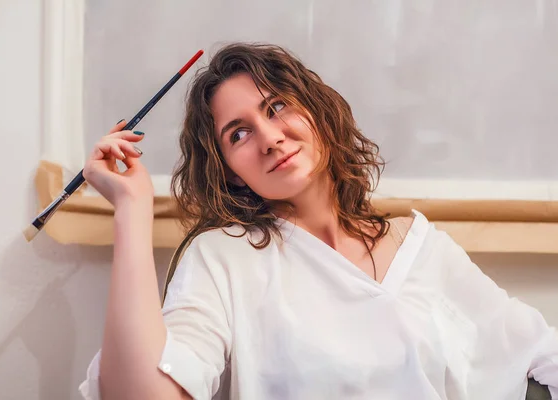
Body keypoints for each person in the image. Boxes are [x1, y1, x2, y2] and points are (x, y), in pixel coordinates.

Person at [78, 43, 557, 400]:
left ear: (319, 112)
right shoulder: (224, 256)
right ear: (229, 169)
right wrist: (132, 208)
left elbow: (538, 349)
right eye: (239, 133)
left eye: (277, 106)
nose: (269, 137)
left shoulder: (422, 245)